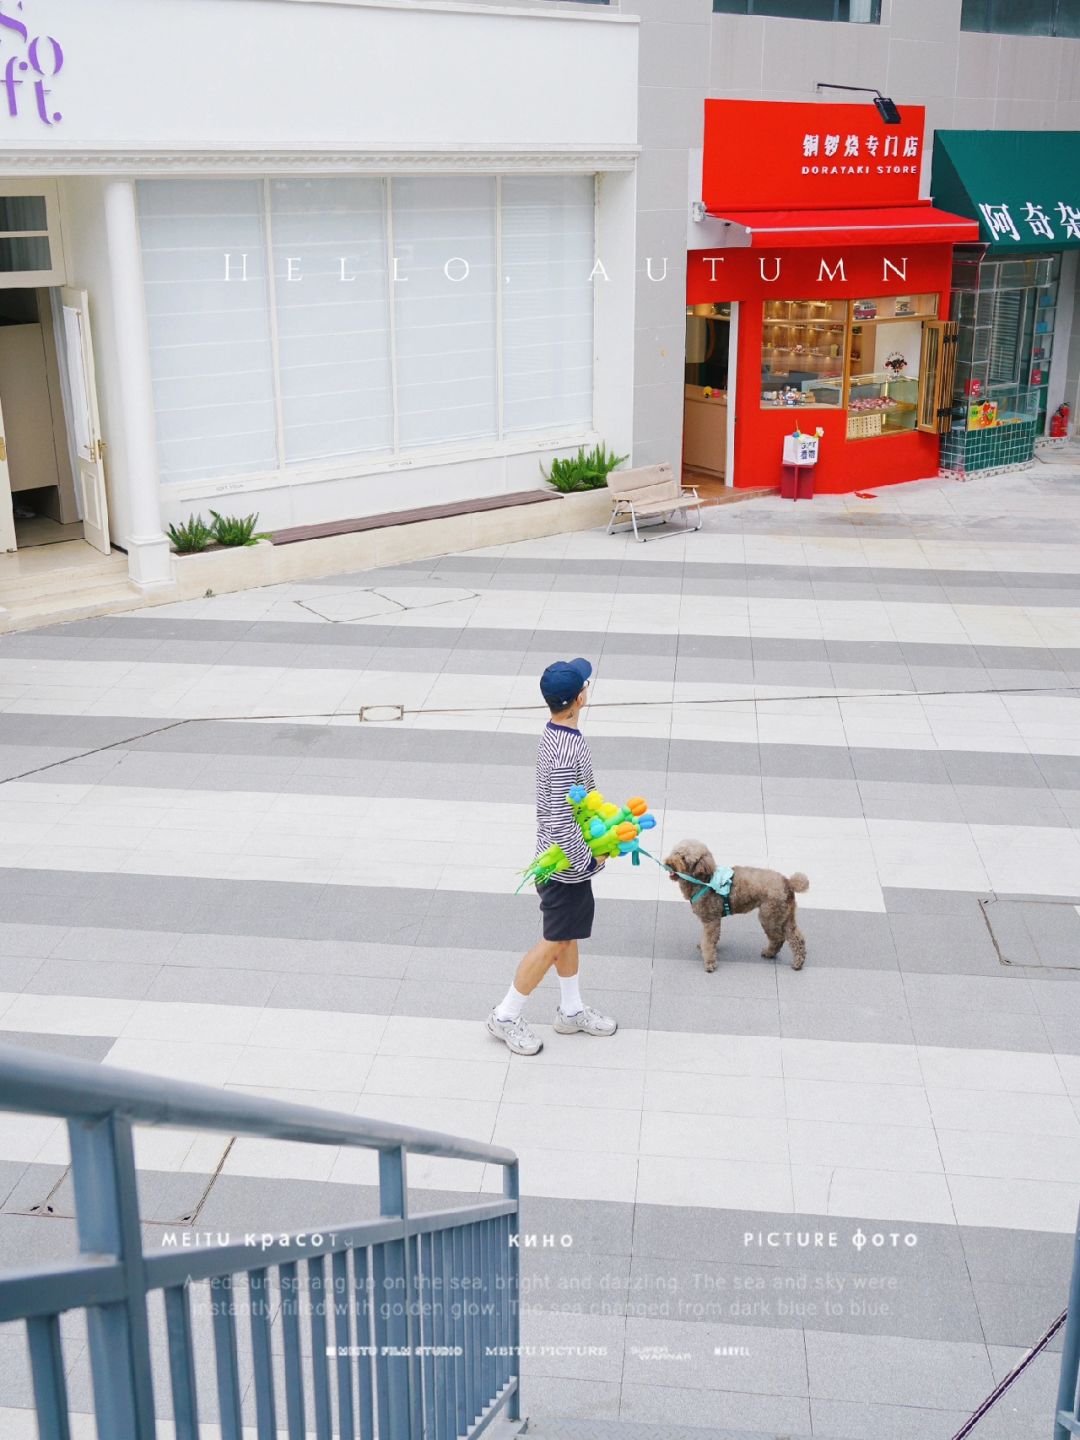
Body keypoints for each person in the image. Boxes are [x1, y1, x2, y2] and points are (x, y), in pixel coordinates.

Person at [486, 657, 618, 1056]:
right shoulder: (563, 751)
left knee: (567, 935)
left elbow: (582, 802)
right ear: (580, 698)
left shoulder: (563, 735)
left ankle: (571, 1010)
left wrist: (601, 837)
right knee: (553, 941)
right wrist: (587, 860)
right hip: (563, 867)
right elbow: (562, 821)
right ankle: (505, 1015)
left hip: (569, 862)